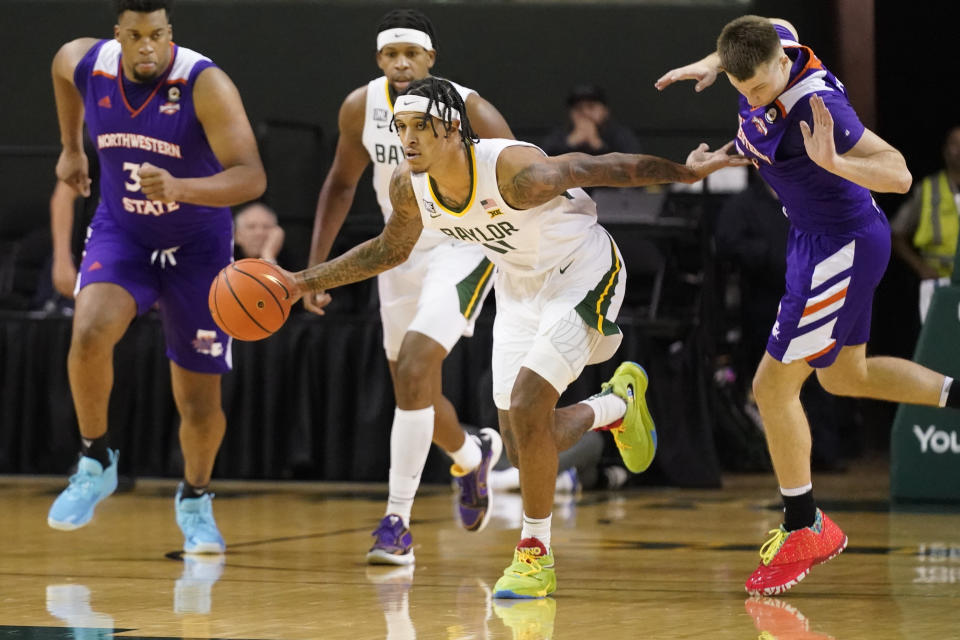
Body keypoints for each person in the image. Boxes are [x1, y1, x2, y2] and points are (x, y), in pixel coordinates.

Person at [276, 76, 748, 597]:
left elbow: (600, 167)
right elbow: (389, 250)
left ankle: (534, 555)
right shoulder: (409, 186)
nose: (407, 140)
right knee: (526, 447)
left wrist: (684, 170)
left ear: (453, 129)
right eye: (401, 127)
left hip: (582, 271)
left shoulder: (511, 171)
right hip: (519, 287)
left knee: (527, 406)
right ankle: (615, 405)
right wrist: (302, 280)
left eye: (420, 127)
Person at [656, 15, 960, 596]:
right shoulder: (771, 46)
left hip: (840, 247)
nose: (753, 96)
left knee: (771, 389)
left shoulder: (818, 107)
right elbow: (756, 38)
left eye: (760, 87)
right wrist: (711, 73)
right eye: (740, 89)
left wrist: (837, 163)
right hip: (814, 241)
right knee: (847, 376)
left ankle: (806, 524)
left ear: (781, 66)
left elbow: (896, 173)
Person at [46, 0, 266, 554]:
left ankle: (195, 499)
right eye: (137, 36)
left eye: (158, 35)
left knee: (198, 400)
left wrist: (181, 187)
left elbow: (251, 177)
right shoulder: (85, 62)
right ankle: (96, 459)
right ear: (117, 34)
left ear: (171, 33)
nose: (148, 47)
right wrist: (72, 149)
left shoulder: (203, 82)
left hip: (197, 246)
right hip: (125, 234)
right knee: (90, 330)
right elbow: (59, 72)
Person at [303, 9, 515, 565]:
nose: (401, 63)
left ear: (430, 60)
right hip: (398, 250)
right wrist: (316, 268)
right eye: (390, 54)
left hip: (463, 245)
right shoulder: (361, 108)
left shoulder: (469, 109)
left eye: (411, 54)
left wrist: (529, 262)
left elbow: (520, 174)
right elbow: (341, 184)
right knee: (412, 387)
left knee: (418, 366)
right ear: (379, 61)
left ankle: (396, 521)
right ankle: (472, 456)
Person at [890, 125, 960, 322]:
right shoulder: (929, 188)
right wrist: (920, 267)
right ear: (945, 150)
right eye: (955, 144)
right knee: (939, 341)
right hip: (938, 282)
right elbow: (896, 234)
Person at [540, 83, 642, 157]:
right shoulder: (559, 136)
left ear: (605, 111)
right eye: (578, 108)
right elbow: (543, 165)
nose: (585, 113)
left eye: (591, 107)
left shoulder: (620, 135)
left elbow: (633, 169)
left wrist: (597, 145)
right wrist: (570, 144)